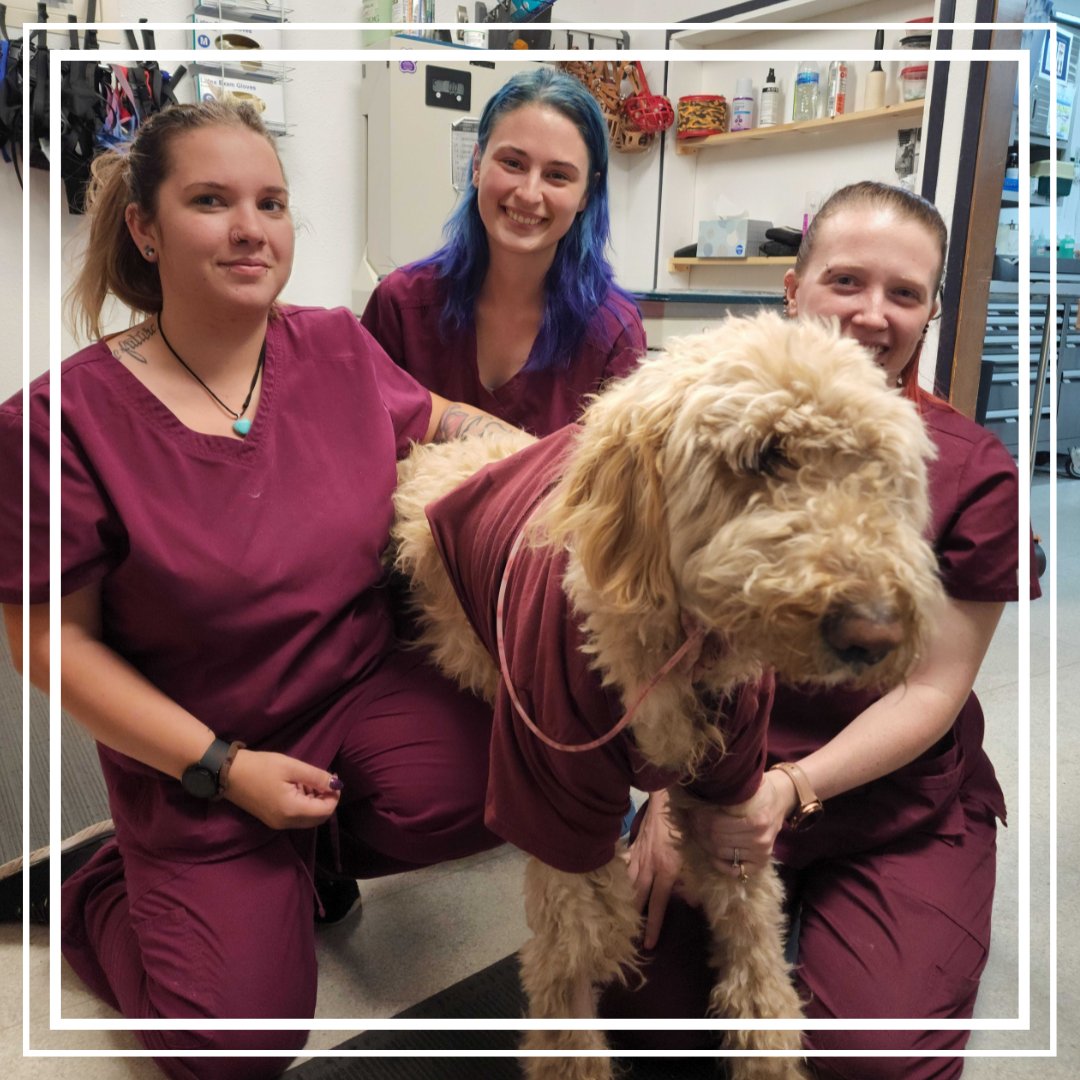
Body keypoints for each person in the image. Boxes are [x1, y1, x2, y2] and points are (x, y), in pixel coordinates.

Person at [0, 99, 520, 1080]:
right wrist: (221, 768)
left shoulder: (331, 344)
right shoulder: (57, 422)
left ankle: (309, 861)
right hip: (196, 741)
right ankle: (106, 894)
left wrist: (558, 465)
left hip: (358, 690)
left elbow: (444, 422)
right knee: (233, 1053)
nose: (252, 228)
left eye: (272, 203)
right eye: (211, 200)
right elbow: (45, 644)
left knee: (506, 774)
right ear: (144, 228)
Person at [600, 181, 1041, 1079]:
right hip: (714, 776)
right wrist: (660, 794)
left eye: (905, 293)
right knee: (643, 1023)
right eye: (847, 281)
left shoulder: (973, 472)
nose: (873, 314)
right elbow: (646, 628)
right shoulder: (708, 432)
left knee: (869, 1063)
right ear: (794, 289)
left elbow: (930, 687)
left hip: (888, 794)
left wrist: (787, 792)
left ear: (929, 314)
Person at [360, 66, 645, 437]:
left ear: (586, 195)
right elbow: (354, 439)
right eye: (513, 163)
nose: (528, 193)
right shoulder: (401, 305)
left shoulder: (613, 336)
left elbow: (618, 487)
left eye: (557, 175)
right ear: (478, 164)